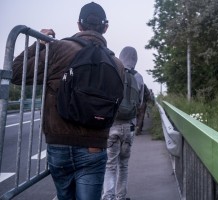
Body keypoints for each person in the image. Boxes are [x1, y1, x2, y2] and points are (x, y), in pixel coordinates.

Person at [11, 2, 124, 200]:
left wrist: (38, 43)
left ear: (79, 25)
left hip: (59, 144)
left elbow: (15, 73)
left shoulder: (58, 49)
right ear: (105, 28)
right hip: (94, 146)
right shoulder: (117, 64)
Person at [102, 46, 144, 200]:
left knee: (110, 165)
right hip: (129, 127)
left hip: (112, 126)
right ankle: (121, 196)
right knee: (123, 165)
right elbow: (139, 103)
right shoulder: (138, 77)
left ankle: (108, 197)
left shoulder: (112, 72)